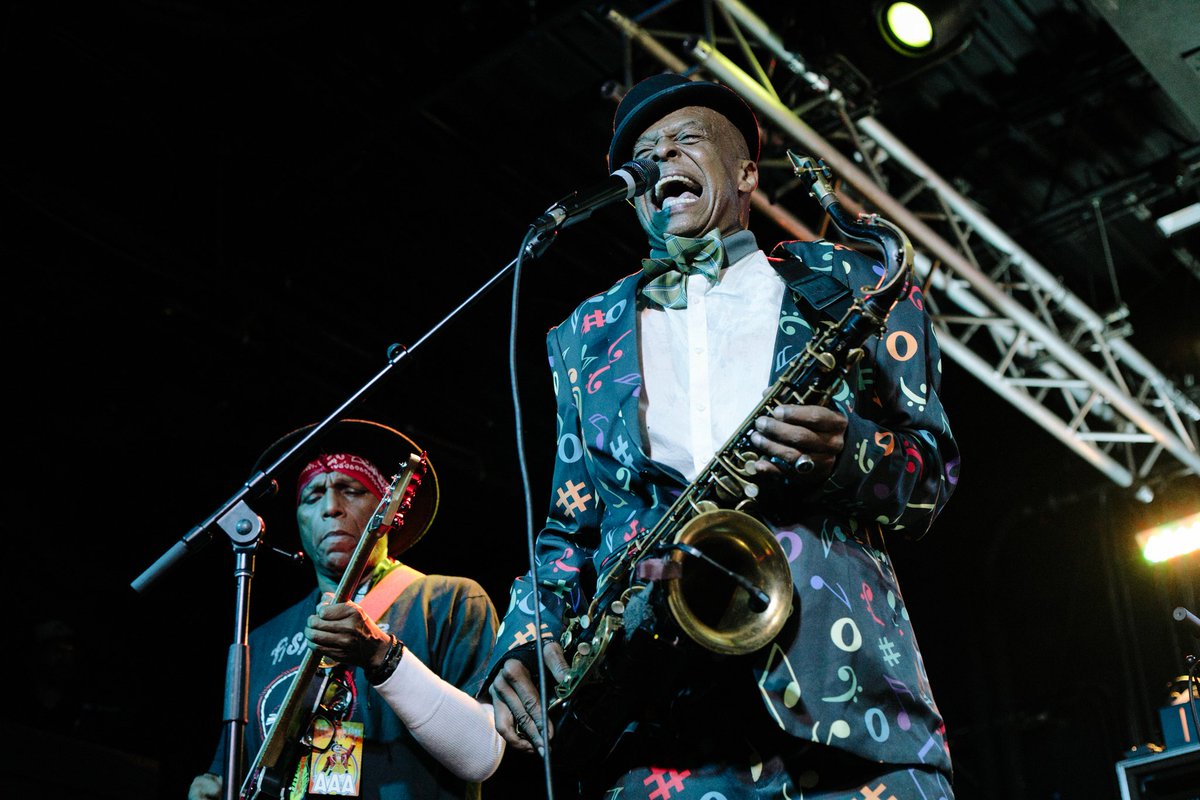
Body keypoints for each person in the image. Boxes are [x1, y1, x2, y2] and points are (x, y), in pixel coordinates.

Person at [485, 73, 959, 798]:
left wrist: (848, 453)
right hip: (660, 736)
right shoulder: (582, 335)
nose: (658, 159)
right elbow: (567, 528)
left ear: (744, 173)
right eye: (643, 153)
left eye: (684, 140)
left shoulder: (852, 281)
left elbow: (931, 477)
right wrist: (525, 635)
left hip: (850, 717)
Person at [189, 418, 504, 800]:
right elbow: (237, 773)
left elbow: (481, 754)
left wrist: (380, 655)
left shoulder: (448, 601)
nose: (330, 507)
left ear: (387, 505)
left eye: (351, 489)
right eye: (312, 496)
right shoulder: (259, 639)